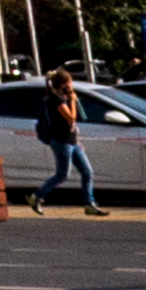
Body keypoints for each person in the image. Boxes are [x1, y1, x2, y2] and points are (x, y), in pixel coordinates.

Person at [37, 64, 103, 213]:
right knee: (62, 175)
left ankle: (89, 203)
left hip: (72, 141)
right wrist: (73, 101)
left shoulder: (63, 98)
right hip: (61, 142)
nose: (71, 86)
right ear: (63, 84)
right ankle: (37, 196)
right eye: (69, 83)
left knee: (87, 172)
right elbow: (71, 118)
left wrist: (78, 141)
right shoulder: (57, 100)